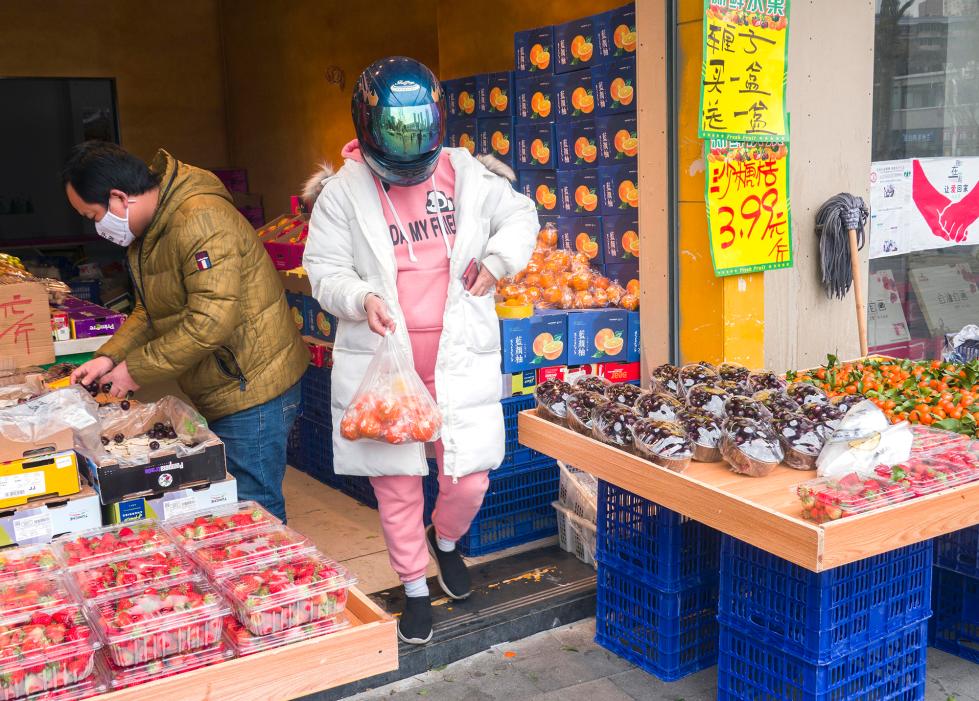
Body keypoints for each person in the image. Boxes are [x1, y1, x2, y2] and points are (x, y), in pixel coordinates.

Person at [303, 56, 538, 645]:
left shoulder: (465, 173)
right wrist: (359, 298)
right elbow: (323, 269)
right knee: (397, 482)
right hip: (386, 365)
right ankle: (413, 587)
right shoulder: (341, 193)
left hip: (460, 359)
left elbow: (522, 216)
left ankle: (448, 541)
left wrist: (499, 260)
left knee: (469, 478)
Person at [63, 141, 309, 521]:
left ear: (118, 198)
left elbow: (209, 320)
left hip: (253, 384)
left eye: (93, 215)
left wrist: (134, 370)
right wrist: (108, 356)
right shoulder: (154, 228)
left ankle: (270, 578)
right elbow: (151, 310)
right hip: (225, 380)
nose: (96, 228)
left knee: (254, 505)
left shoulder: (199, 220)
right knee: (234, 499)